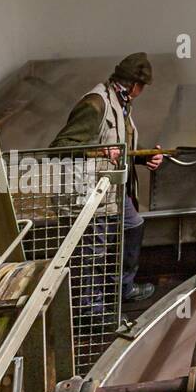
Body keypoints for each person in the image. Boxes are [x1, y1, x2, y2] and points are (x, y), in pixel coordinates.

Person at [49, 52, 163, 302]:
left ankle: (122, 288)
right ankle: (91, 309)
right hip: (89, 193)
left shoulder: (121, 104)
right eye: (142, 86)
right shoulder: (95, 104)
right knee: (93, 252)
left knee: (134, 225)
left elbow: (122, 143)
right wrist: (97, 151)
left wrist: (145, 157)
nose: (142, 91)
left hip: (111, 189)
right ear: (135, 85)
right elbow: (57, 148)